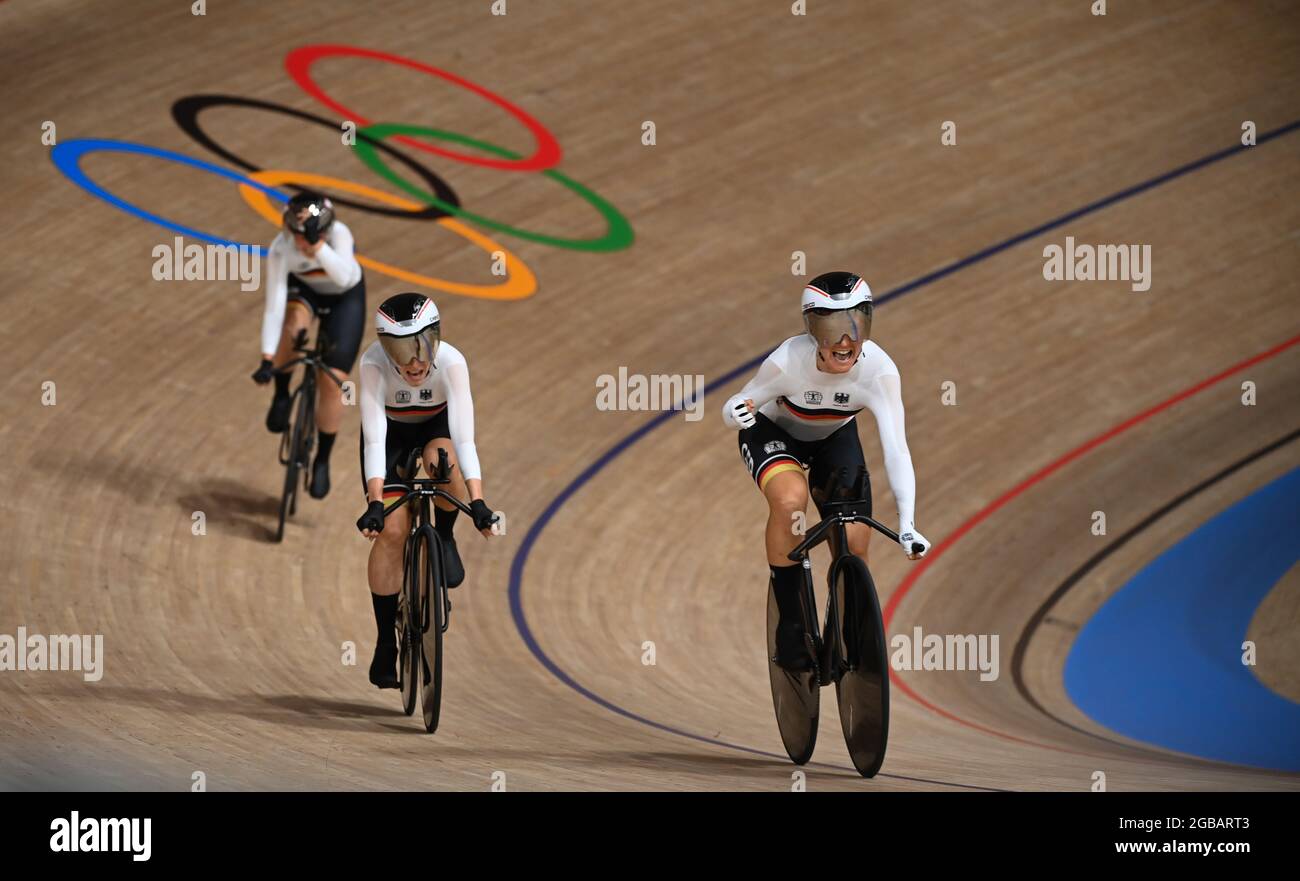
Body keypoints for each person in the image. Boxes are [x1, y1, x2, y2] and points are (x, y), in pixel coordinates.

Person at [721, 271, 931, 671]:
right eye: (833, 326)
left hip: (833, 437)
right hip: (774, 433)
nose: (846, 339)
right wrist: (733, 413)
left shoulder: (880, 372)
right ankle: (791, 621)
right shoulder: (787, 362)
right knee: (790, 500)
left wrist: (908, 524)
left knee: (854, 537)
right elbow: (739, 403)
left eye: (856, 323)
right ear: (811, 329)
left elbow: (897, 449)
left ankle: (844, 626)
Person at [353, 293, 498, 689]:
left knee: (444, 462)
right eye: (400, 349)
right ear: (385, 348)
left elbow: (465, 438)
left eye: (419, 347)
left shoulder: (451, 362)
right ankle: (386, 644)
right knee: (393, 533)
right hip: (391, 438)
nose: (414, 362)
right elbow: (374, 440)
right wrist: (376, 504)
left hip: (436, 430)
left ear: (435, 339)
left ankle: (445, 537)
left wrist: (478, 501)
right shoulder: (372, 365)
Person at [250, 192, 364, 500]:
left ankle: (322, 458)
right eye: (294, 234)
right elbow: (274, 306)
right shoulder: (281, 249)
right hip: (307, 292)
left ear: (323, 231)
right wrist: (267, 359)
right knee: (294, 325)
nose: (297, 241)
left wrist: (319, 250)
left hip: (345, 299)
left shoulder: (340, 235)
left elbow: (343, 278)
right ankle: (282, 394)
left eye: (304, 235)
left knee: (332, 381)